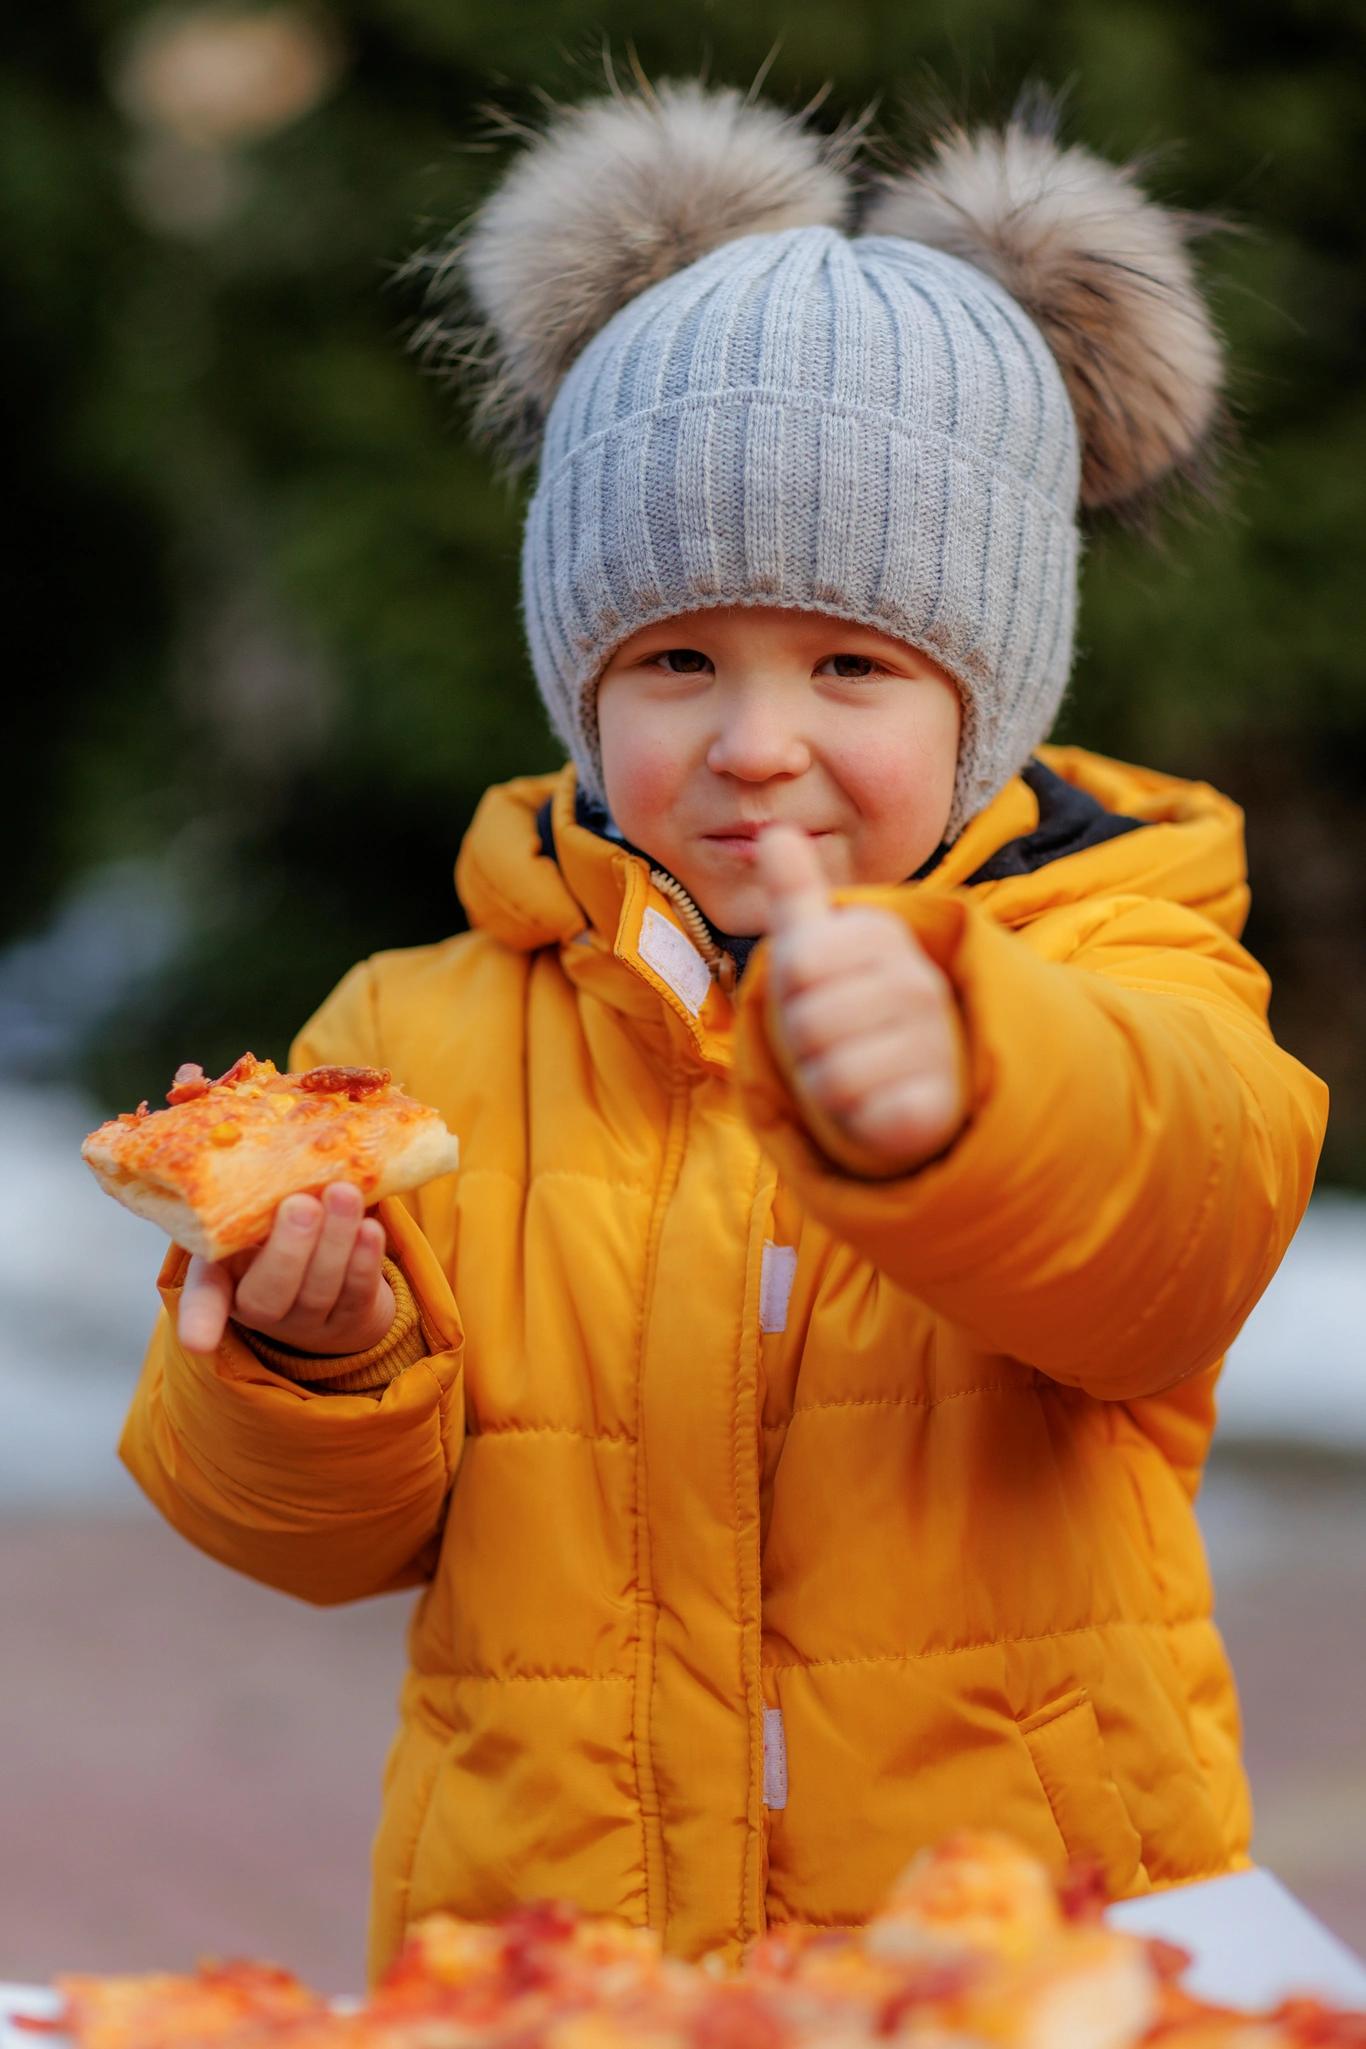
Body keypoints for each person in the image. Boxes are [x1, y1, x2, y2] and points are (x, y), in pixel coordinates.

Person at [120, 79, 1329, 1982]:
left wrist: (964, 1086)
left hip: (1008, 1955)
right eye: (676, 660)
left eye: (850, 665)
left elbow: (1170, 1225)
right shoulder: (417, 1030)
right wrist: (312, 1359)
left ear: (982, 700)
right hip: (550, 1952)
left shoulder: (1116, 959)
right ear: (582, 685)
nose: (756, 740)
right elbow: (317, 1539)